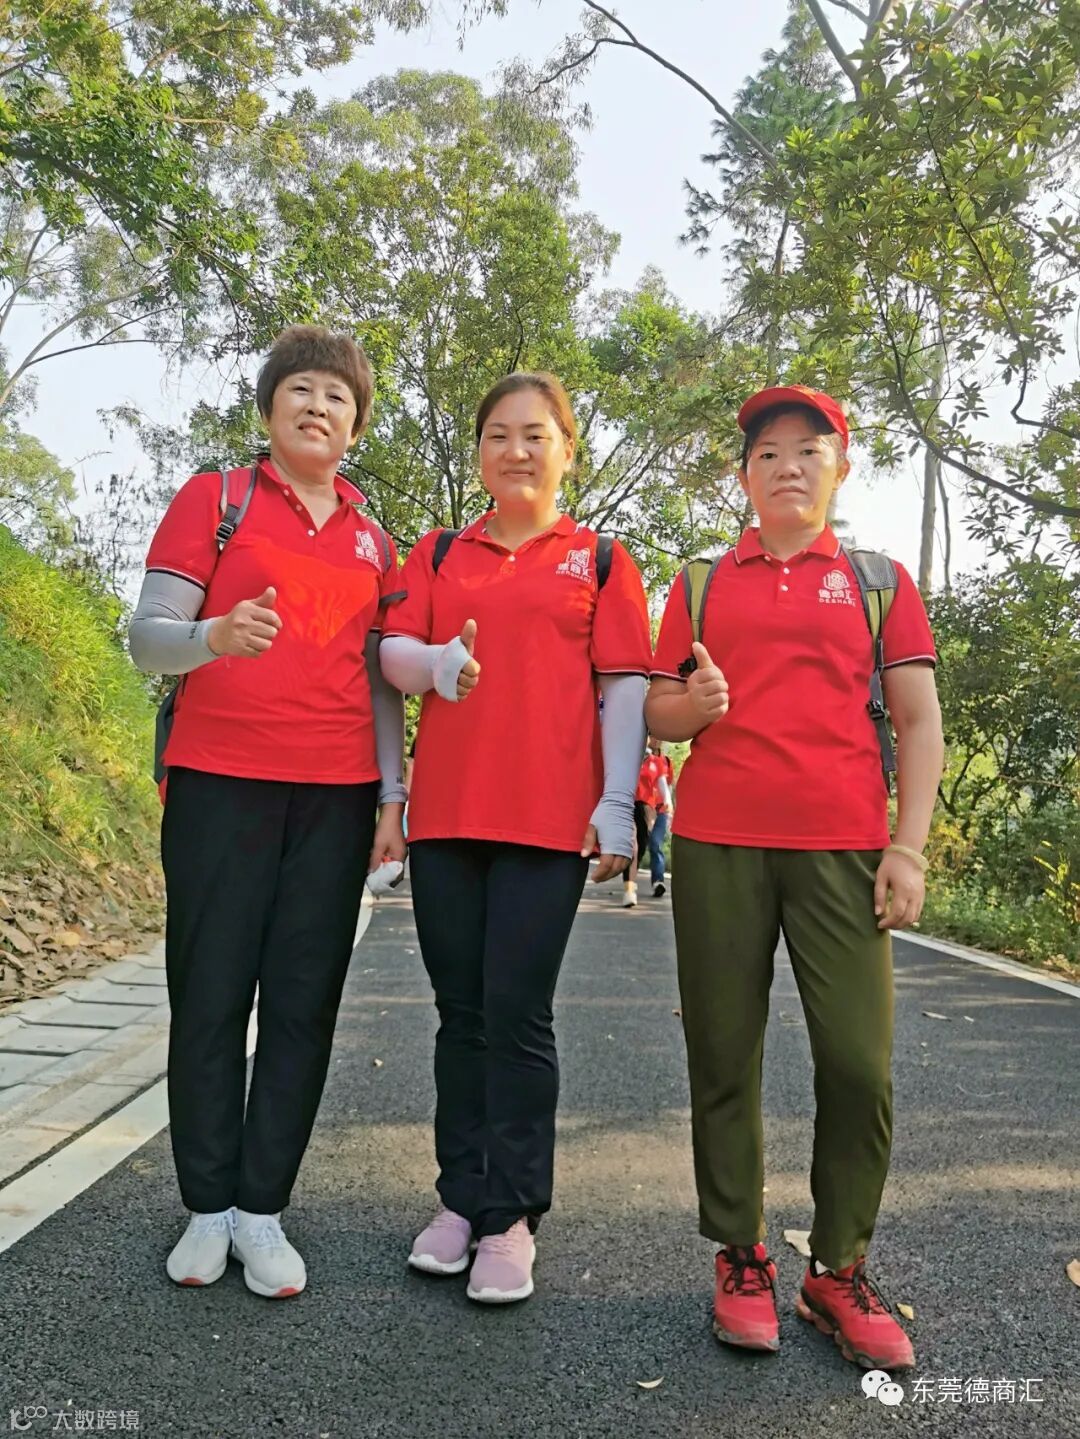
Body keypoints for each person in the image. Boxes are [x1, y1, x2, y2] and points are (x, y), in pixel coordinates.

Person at [647, 386, 944, 1370]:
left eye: (808, 450)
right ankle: (741, 1253)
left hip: (844, 849)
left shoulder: (877, 580)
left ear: (839, 469)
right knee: (723, 1053)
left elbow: (918, 721)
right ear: (744, 476)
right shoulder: (698, 583)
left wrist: (908, 847)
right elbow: (658, 712)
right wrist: (694, 703)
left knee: (858, 1064)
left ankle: (838, 1266)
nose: (787, 466)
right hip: (718, 843)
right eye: (768, 452)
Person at [128, 325, 407, 1298]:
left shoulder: (376, 540)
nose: (318, 406)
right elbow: (147, 638)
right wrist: (214, 634)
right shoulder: (218, 501)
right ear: (269, 406)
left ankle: (262, 1209)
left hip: (335, 797)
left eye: (338, 396)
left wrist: (392, 795)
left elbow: (382, 681)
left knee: (302, 1000)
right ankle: (206, 1206)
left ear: (356, 424)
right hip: (218, 783)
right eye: (301, 388)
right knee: (210, 991)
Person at [380, 372, 651, 1304]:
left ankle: (511, 1216)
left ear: (567, 449)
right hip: (447, 816)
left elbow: (624, 688)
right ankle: (460, 1198)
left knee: (517, 1011)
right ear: (479, 452)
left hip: (545, 821)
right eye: (498, 433)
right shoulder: (439, 551)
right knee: (460, 1013)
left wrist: (615, 803)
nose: (517, 450)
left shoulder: (600, 559)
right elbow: (391, 654)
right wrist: (434, 662)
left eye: (536, 434)